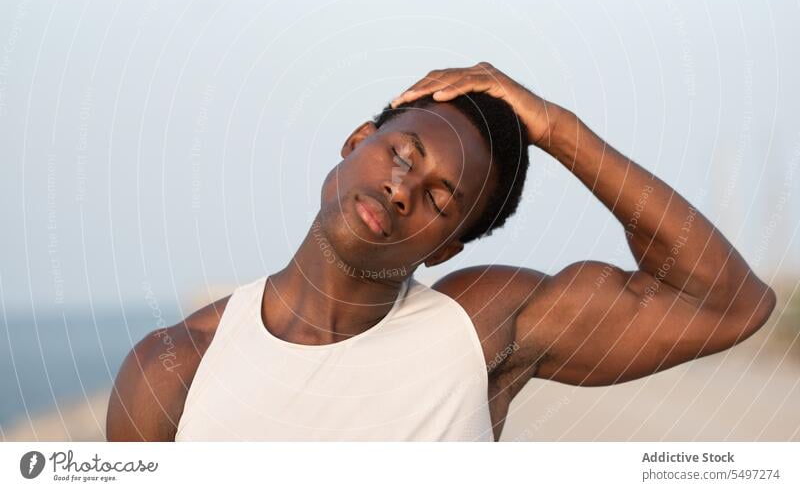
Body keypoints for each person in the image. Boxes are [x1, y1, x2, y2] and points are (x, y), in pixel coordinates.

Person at [106, 62, 775, 441]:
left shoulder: (478, 327)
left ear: (446, 245)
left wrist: (554, 127)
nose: (402, 189)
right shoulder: (175, 366)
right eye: (402, 154)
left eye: (439, 199)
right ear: (355, 140)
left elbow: (728, 303)